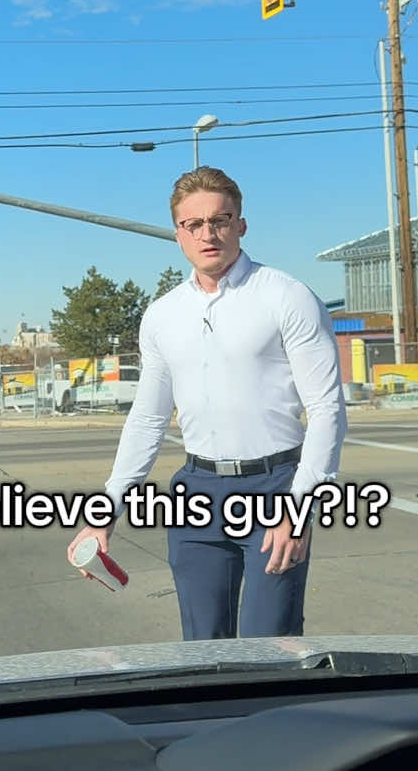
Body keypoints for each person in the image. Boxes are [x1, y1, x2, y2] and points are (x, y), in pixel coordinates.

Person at [67, 165, 347, 640]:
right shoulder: (162, 315)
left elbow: (327, 411)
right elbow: (148, 418)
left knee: (268, 647)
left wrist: (299, 508)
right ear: (177, 233)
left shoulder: (287, 297)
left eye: (220, 220)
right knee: (202, 649)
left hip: (275, 487)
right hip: (196, 492)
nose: (208, 233)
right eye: (193, 224)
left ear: (241, 224)